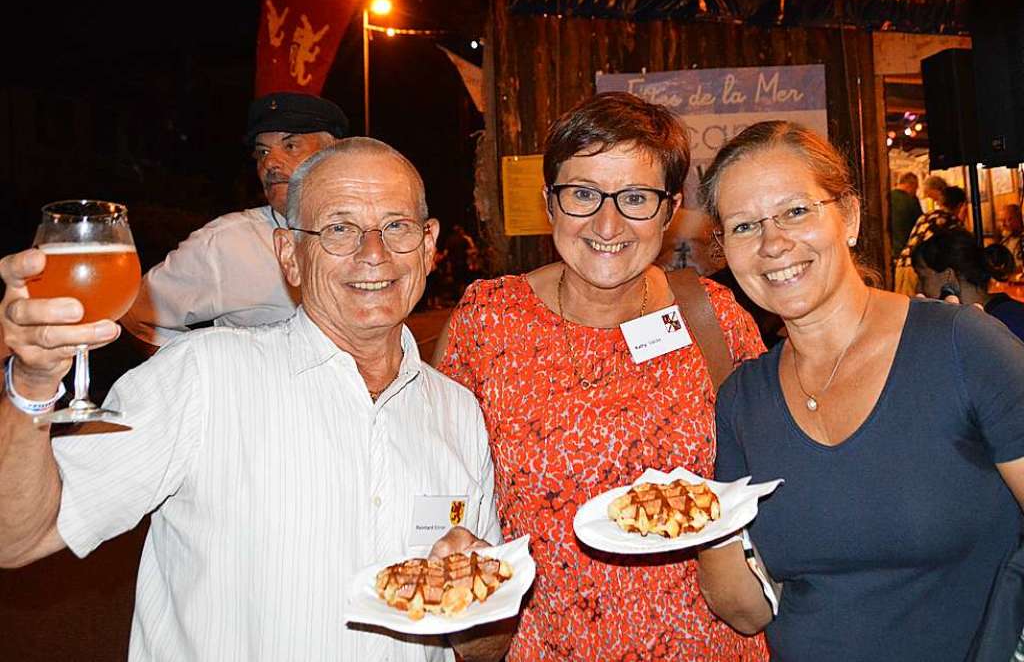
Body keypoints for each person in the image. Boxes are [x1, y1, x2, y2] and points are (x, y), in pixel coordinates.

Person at [0, 139, 509, 662]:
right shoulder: (205, 377)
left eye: (396, 226)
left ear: (428, 246)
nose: (373, 254)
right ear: (290, 254)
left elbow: (484, 649)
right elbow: (16, 537)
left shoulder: (458, 413)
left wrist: (475, 597)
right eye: (338, 228)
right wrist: (31, 384)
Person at [433, 92, 768, 660]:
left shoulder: (711, 317)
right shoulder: (487, 321)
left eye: (635, 197)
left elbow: (769, 473)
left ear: (669, 210)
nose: (607, 223)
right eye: (583, 194)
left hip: (708, 644)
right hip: (549, 646)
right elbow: (444, 479)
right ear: (550, 203)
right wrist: (451, 541)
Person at [695, 120, 1024, 662]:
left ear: (847, 216)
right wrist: (695, 520)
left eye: (796, 211)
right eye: (744, 226)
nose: (773, 243)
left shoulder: (962, 346)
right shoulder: (743, 400)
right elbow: (745, 611)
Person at [121, 92, 349, 349]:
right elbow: (136, 315)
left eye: (290, 146)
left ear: (333, 155)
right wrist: (193, 377)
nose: (270, 163)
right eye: (262, 152)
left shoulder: (378, 232)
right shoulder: (227, 243)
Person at [912, 227, 1024, 341]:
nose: (918, 289)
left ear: (948, 277)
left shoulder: (1005, 323)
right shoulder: (1006, 315)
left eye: (923, 278)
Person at [893, 179, 965, 296]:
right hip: (920, 270)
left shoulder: (927, 216)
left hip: (903, 265)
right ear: (961, 206)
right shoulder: (951, 222)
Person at [889, 171, 922, 258]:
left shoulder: (888, 197)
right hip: (909, 251)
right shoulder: (912, 200)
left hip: (892, 250)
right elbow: (920, 224)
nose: (916, 191)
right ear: (910, 185)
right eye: (916, 188)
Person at [998, 203, 1024, 273]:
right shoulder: (1004, 242)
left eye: (1008, 220)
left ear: (1018, 219)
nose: (1003, 224)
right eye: (1000, 220)